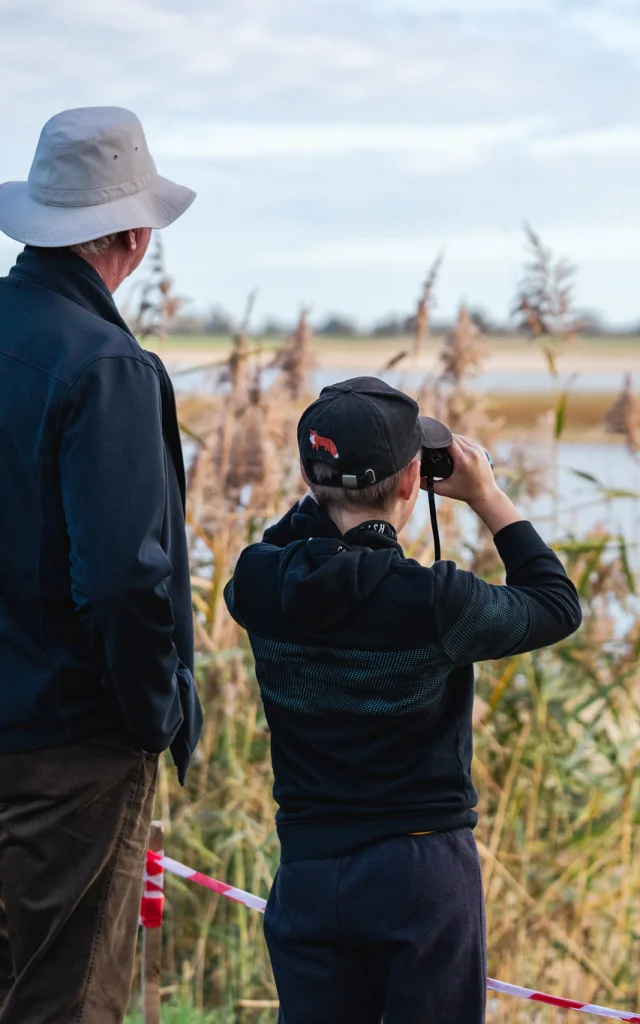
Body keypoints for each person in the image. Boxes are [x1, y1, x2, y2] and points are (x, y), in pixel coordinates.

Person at [224, 377, 582, 1024]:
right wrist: (488, 496)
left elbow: (290, 537)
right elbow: (556, 606)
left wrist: (332, 491)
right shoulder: (435, 603)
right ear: (413, 480)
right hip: (418, 872)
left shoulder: (256, 583)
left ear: (309, 477)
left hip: (308, 869)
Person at [0, 107, 202, 1024]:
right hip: (68, 751)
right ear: (132, 232)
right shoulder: (106, 365)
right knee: (65, 1002)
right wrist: (151, 715)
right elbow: (125, 579)